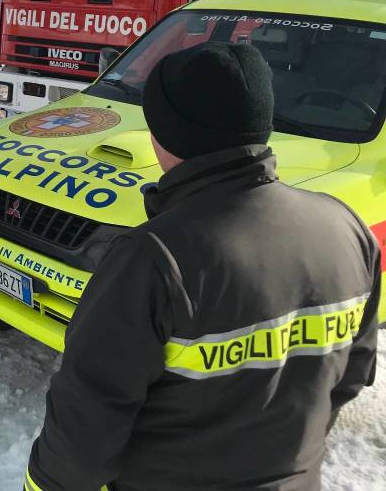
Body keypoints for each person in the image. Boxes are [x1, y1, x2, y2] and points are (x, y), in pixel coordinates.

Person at [24, 41, 380, 491]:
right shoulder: (346, 227)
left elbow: (83, 436)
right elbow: (351, 374)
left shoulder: (153, 258)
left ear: (162, 134)